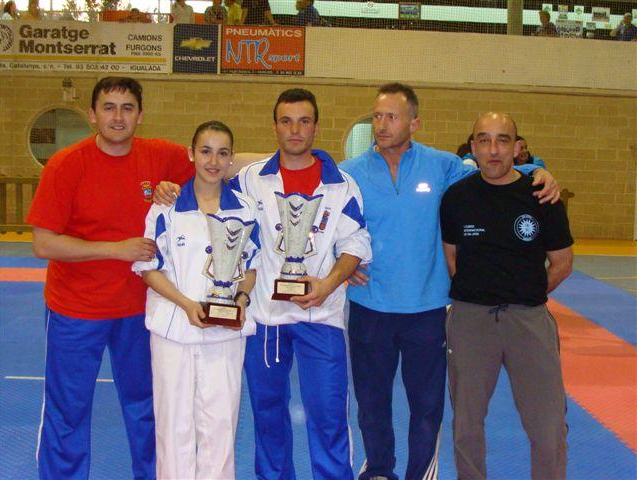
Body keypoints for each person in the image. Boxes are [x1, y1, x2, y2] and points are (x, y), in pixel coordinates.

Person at [339, 83, 559, 480]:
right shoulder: (349, 173)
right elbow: (329, 226)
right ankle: (379, 470)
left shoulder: (442, 166)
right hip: (369, 305)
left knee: (427, 406)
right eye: (376, 116)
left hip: (427, 310)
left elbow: (494, 170)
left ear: (415, 122)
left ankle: (421, 473)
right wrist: (339, 266)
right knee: (371, 402)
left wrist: (536, 170)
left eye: (392, 116)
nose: (381, 124)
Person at [154, 88, 372, 480]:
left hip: (320, 315)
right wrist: (167, 189)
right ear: (275, 126)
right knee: (268, 415)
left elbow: (355, 243)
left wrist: (330, 281)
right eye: (286, 121)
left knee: (328, 413)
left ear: (316, 126)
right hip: (266, 317)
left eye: (304, 121)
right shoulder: (251, 180)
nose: (295, 130)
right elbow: (208, 185)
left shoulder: (342, 185)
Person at [26, 77, 194, 480]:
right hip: (75, 311)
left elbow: (217, 161)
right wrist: (115, 249)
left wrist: (287, 158)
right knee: (69, 408)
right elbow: (43, 244)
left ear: (141, 115)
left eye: (127, 108)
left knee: (146, 406)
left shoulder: (161, 157)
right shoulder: (66, 164)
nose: (118, 117)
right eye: (109, 107)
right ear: (92, 114)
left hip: (139, 310)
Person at [440, 112, 573, 480]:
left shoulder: (541, 195)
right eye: (484, 140)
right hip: (470, 320)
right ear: (473, 147)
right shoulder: (456, 198)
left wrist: (525, 293)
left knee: (548, 426)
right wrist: (481, 296)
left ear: (517, 148)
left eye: (502, 140)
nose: (493, 150)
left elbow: (561, 263)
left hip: (528, 320)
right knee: (466, 424)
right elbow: (452, 258)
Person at [132, 121, 259, 479]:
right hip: (173, 331)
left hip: (226, 333)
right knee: (174, 427)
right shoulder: (166, 209)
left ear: (231, 158)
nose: (213, 161)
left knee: (221, 426)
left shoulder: (245, 209)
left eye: (222, 153)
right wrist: (186, 304)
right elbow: (148, 268)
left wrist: (242, 296)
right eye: (205, 151)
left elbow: (253, 264)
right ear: (191, 154)